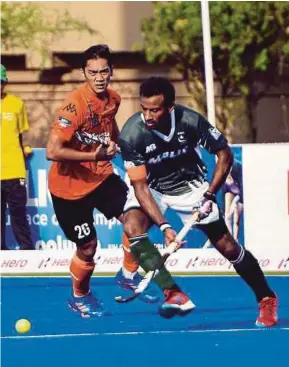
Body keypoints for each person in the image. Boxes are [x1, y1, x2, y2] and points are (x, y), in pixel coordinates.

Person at [118, 76, 278, 327]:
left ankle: (266, 297)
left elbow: (223, 154)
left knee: (228, 247)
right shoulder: (130, 134)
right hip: (154, 189)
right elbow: (140, 186)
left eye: (155, 110)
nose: (148, 116)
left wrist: (210, 193)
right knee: (132, 226)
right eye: (144, 108)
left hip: (192, 187)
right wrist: (164, 226)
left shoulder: (189, 121)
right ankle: (173, 293)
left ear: (169, 108)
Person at [46, 45, 187, 318]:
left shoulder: (113, 99)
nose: (99, 77)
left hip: (101, 177)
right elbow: (52, 151)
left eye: (103, 71)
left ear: (111, 71)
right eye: (92, 72)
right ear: (83, 73)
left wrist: (132, 152)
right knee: (88, 248)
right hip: (68, 188)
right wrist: (94, 154)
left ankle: (128, 274)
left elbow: (112, 133)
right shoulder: (73, 106)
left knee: (138, 217)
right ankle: (80, 295)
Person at [1, 64, 34, 251]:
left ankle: (28, 252)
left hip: (14, 170)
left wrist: (23, 149)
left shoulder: (16, 104)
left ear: (5, 83)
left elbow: (21, 134)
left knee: (18, 215)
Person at [223, 159, 244, 240]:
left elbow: (243, 189)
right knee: (227, 217)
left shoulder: (238, 168)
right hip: (231, 190)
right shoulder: (222, 173)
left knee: (236, 219)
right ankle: (230, 240)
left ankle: (236, 240)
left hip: (241, 194)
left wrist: (236, 201)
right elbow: (224, 192)